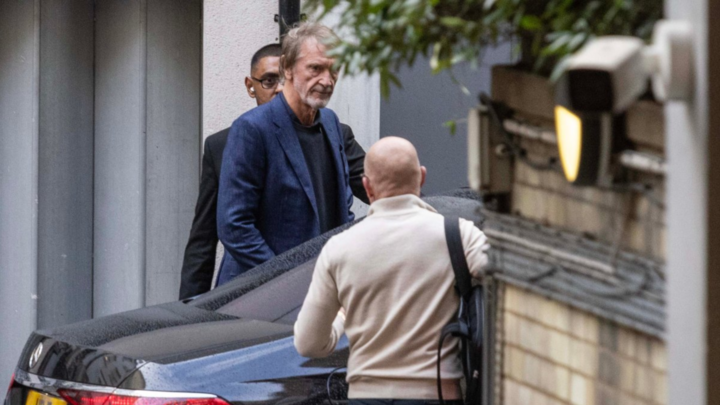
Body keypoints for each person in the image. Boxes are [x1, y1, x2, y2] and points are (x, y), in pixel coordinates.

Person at [294, 137, 491, 405]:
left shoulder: (339, 248)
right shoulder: (458, 235)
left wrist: (342, 318)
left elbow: (308, 344)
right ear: (421, 178)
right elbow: (511, 280)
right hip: (437, 396)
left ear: (367, 186)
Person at [179, 42, 367, 299]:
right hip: (257, 294)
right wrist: (190, 311)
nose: (279, 88)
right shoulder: (227, 141)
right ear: (250, 86)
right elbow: (207, 235)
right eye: (269, 81)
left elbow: (371, 188)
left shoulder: (332, 128)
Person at [215, 23, 359, 286]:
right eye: (315, 68)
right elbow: (234, 226)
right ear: (287, 68)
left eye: (333, 69)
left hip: (320, 290)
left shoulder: (330, 123)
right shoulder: (252, 128)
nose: (327, 80)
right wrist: (286, 282)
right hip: (259, 297)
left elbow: (341, 208)